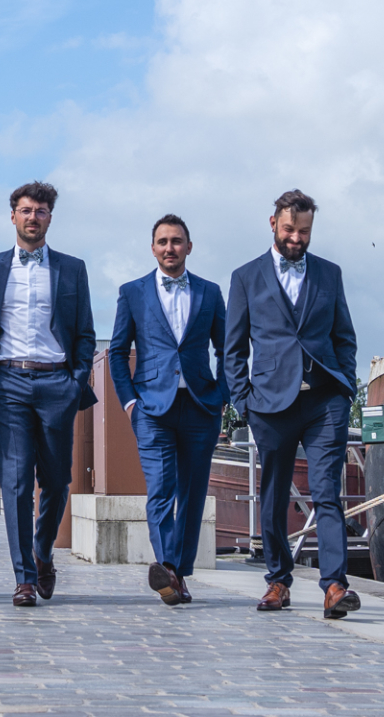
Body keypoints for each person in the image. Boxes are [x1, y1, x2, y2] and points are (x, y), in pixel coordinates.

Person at [224, 189, 361, 619]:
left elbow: (344, 336)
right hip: (269, 405)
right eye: (289, 229)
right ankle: (278, 582)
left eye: (304, 231)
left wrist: (345, 387)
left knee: (327, 492)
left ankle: (335, 586)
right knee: (273, 496)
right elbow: (233, 349)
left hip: (325, 401)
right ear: (273, 224)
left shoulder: (330, 273)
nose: (296, 238)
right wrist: (243, 402)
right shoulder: (245, 277)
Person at [0, 182, 96, 606]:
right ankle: (24, 578)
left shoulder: (72, 268)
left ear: (50, 217)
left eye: (41, 211)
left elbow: (85, 332)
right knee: (15, 482)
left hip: (56, 384)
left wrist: (75, 380)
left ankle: (42, 552)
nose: (33, 217)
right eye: (26, 210)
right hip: (8, 382)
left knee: (56, 480)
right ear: (12, 215)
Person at [109, 213, 227, 607]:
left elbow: (227, 348)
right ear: (153, 248)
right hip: (151, 409)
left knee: (192, 496)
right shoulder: (132, 292)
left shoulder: (210, 292)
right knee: (161, 491)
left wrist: (222, 396)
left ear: (189, 247)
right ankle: (169, 569)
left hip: (200, 406)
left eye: (176, 241)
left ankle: (177, 572)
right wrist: (130, 403)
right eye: (162, 241)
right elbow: (117, 351)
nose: (169, 248)